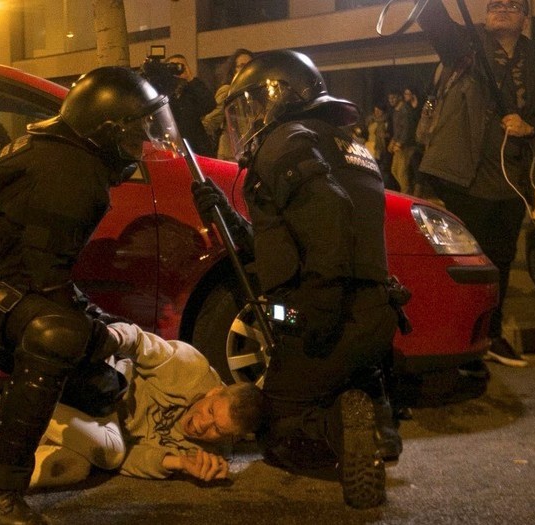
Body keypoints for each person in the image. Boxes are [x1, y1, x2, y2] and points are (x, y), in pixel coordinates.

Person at [0, 66, 185, 525]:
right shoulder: (72, 175)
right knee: (59, 339)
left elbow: (42, 273)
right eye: (136, 128)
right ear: (106, 129)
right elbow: (46, 290)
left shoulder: (60, 152)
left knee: (94, 371)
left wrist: (98, 330)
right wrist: (101, 341)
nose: (144, 138)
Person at [191, 50, 405, 509]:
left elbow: (328, 213)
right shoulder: (347, 144)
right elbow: (291, 240)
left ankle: (343, 431)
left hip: (326, 317)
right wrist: (226, 215)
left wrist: (319, 311)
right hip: (374, 317)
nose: (249, 120)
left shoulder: (286, 139)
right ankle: (377, 427)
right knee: (349, 374)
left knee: (276, 431)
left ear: (287, 96)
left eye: (255, 104)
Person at [0, 322, 263, 513]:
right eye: (210, 412)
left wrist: (180, 462)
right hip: (94, 390)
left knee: (73, 467)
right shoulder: (190, 369)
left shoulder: (202, 445)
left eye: (216, 431)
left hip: (96, 434)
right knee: (110, 450)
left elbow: (129, 460)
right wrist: (103, 340)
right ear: (216, 391)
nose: (203, 425)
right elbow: (137, 341)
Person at [416, 0, 535, 367]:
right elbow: (433, 18)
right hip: (464, 175)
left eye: (513, 5)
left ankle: (490, 335)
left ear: (524, 19)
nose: (502, 8)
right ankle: (455, 334)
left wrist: (529, 127)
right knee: (462, 260)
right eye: (495, 3)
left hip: (510, 180)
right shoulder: (464, 44)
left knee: (500, 261)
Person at [202, 48, 253, 161]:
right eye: (241, 65)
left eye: (249, 65)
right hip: (230, 155)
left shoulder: (255, 92)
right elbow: (211, 121)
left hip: (250, 154)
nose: (246, 68)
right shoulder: (227, 90)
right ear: (234, 69)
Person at [165, 54, 217, 156]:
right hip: (172, 150)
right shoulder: (163, 93)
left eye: (181, 67)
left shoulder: (193, 90)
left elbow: (209, 104)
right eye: (173, 67)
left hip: (196, 150)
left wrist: (191, 79)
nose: (177, 70)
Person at [388, 87, 416, 193]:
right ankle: (406, 192)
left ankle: (407, 195)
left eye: (393, 98)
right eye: (390, 98)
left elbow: (406, 128)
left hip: (406, 146)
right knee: (394, 170)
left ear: (399, 97)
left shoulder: (404, 109)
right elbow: (398, 129)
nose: (391, 100)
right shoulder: (396, 110)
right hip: (400, 144)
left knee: (401, 172)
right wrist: (393, 141)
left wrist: (399, 143)